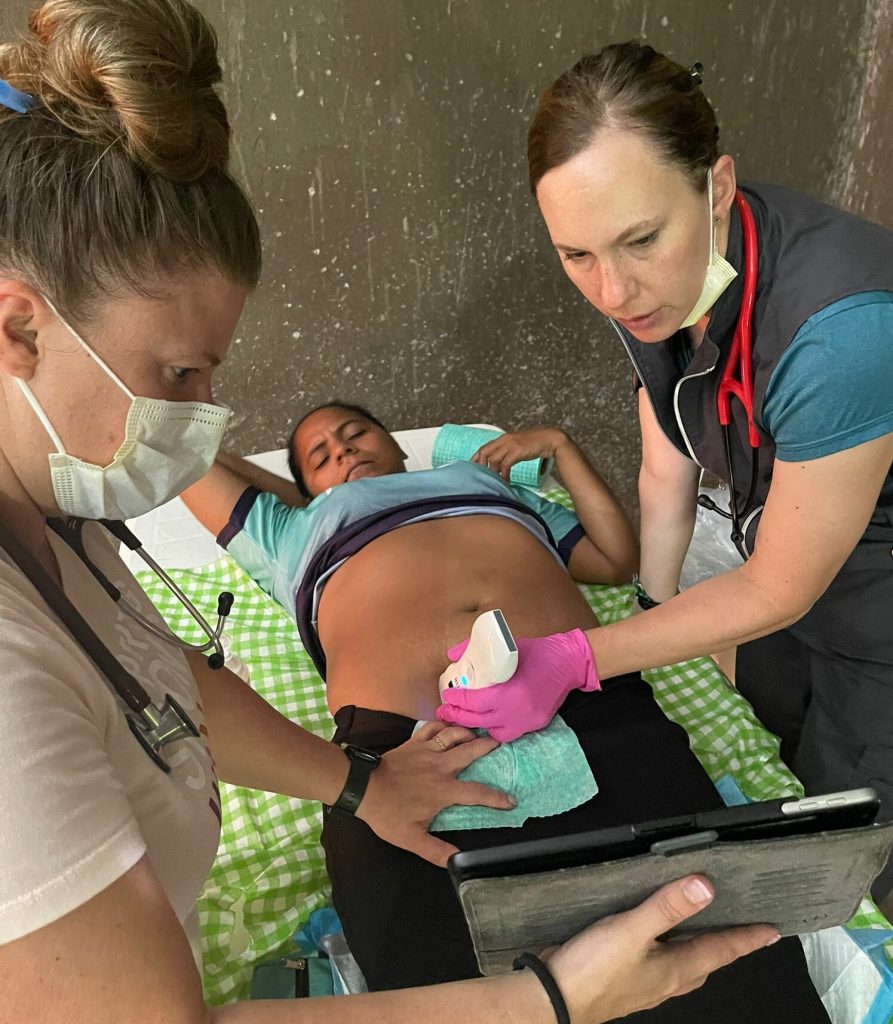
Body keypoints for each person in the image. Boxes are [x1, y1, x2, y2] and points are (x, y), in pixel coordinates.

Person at [0, 6, 781, 1023]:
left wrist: (359, 784)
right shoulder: (290, 528)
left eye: (211, 373)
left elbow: (162, 681)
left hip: (580, 717)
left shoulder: (55, 517)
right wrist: (541, 1001)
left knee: (724, 974)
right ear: (17, 324)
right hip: (403, 732)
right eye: (176, 372)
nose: (192, 413)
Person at [181, 402, 830, 1021]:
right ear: (298, 487)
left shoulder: (485, 482)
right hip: (402, 767)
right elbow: (180, 451)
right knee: (457, 993)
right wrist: (314, 498)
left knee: (719, 967)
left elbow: (612, 562)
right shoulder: (287, 534)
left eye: (354, 432)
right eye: (318, 455)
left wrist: (560, 449)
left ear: (395, 443)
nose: (343, 448)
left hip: (595, 713)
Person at [437, 40, 893, 909]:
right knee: (782, 740)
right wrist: (650, 605)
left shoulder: (841, 334)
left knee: (859, 835)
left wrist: (578, 658)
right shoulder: (651, 288)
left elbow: (778, 589)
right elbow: (666, 457)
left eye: (641, 239)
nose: (611, 289)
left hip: (870, 612)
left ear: (716, 186)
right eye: (576, 256)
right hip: (798, 582)